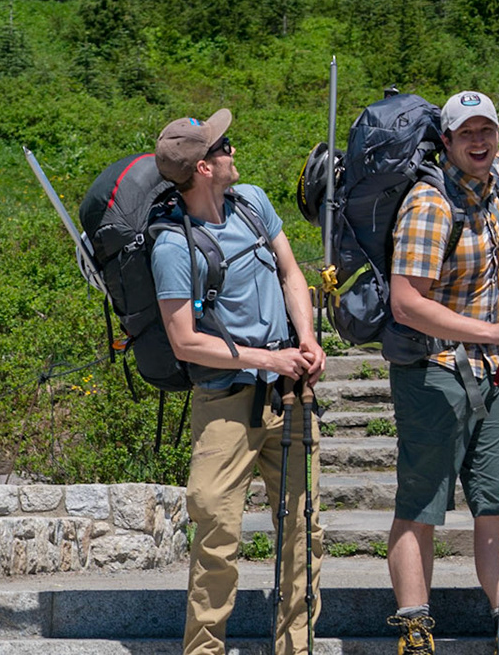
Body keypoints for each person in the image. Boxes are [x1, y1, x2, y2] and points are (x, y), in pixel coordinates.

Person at [384, 90, 499, 655]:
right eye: (466, 132)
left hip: (492, 374)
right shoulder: (430, 203)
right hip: (435, 372)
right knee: (421, 507)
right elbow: (405, 303)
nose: (480, 141)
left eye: (485, 129)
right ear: (446, 141)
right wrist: (493, 331)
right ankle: (415, 629)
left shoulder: (489, 183)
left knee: (498, 504)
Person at [150, 109, 325, 655]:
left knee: (303, 531)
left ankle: (297, 648)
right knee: (217, 533)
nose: (233, 150)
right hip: (225, 403)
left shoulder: (252, 202)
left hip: (289, 394)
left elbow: (291, 272)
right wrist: (268, 359)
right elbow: (185, 341)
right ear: (203, 167)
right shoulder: (173, 247)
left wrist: (307, 339)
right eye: (223, 146)